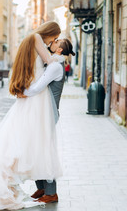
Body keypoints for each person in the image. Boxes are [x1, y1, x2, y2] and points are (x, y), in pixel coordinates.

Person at [0, 21, 63, 210]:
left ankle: (43, 188)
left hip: (31, 98)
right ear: (49, 33)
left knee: (30, 142)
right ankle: (48, 191)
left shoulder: (28, 40)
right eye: (54, 38)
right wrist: (58, 56)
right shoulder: (37, 38)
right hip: (37, 99)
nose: (52, 42)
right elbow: (49, 61)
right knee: (41, 144)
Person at [21, 38, 75, 203]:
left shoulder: (55, 67)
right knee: (37, 149)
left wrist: (21, 91)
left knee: (45, 151)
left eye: (56, 42)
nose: (53, 42)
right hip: (44, 113)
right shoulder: (54, 64)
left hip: (48, 114)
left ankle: (51, 193)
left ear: (59, 50)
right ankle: (42, 187)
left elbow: (38, 87)